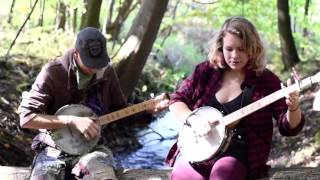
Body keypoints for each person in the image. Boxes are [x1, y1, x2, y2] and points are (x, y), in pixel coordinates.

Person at [18, 27, 168, 179]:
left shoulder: (107, 73)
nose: (95, 68)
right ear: (76, 53)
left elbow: (120, 112)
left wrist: (148, 112)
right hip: (52, 147)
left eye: (99, 62)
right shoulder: (53, 72)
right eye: (90, 63)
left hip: (92, 148)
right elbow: (27, 118)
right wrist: (71, 121)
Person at [165, 16, 304, 180]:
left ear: (253, 48)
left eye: (242, 49)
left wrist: (293, 107)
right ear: (220, 47)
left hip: (239, 153)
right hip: (200, 146)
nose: (234, 55)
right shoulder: (206, 72)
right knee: (181, 175)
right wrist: (193, 119)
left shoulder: (266, 81)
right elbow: (177, 100)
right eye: (229, 49)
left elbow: (288, 127)